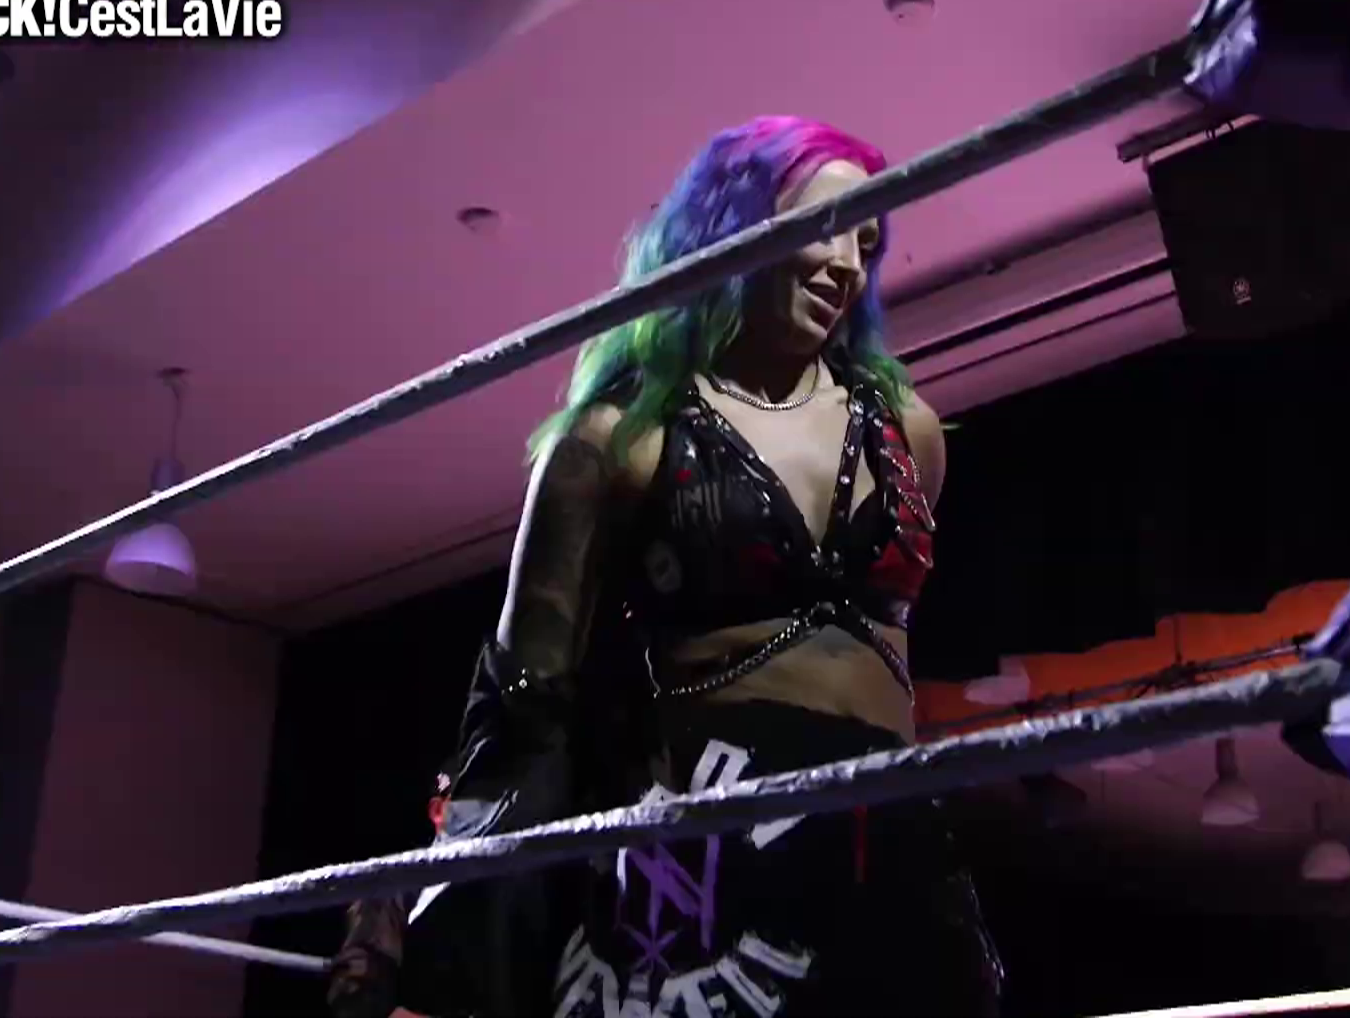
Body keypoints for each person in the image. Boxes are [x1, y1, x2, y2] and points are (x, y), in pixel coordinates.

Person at [327, 116, 1003, 1018]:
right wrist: (453, 966)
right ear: (735, 229)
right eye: (824, 227)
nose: (847, 265)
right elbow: (525, 704)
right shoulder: (617, 440)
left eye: (868, 242)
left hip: (888, 831)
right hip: (717, 843)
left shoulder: (905, 430)